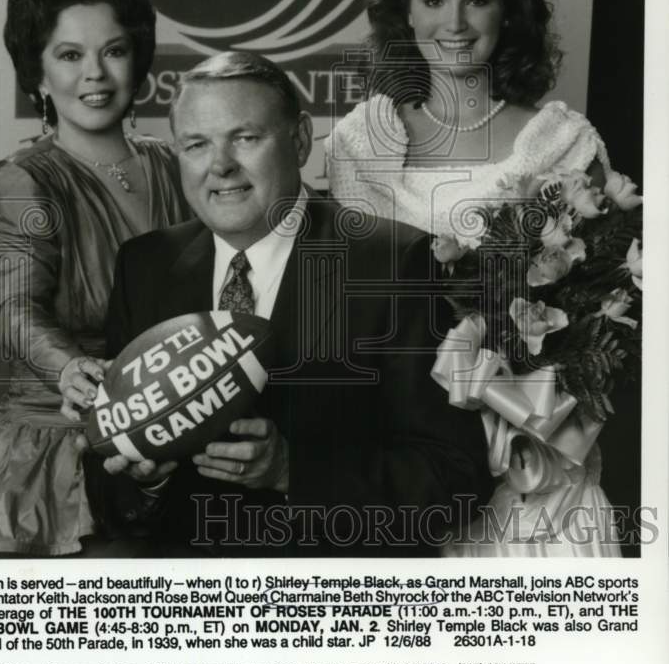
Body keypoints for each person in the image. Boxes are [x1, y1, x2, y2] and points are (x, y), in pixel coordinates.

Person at [72, 51, 493, 556]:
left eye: (245, 138)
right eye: (196, 144)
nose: (221, 165)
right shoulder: (144, 266)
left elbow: (456, 480)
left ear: (298, 140)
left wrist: (293, 472)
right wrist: (145, 478)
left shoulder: (393, 261)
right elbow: (109, 490)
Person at [326, 0, 621, 557]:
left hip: (533, 464)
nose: (453, 23)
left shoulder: (563, 143)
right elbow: (344, 313)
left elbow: (607, 327)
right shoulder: (358, 140)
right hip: (406, 473)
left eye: (476, 0)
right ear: (405, 10)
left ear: (508, 10)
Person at [0, 0, 190, 558]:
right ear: (37, 73)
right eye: (70, 55)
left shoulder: (179, 165)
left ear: (139, 59)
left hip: (173, 441)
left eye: (113, 51)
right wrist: (70, 368)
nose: (95, 75)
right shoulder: (15, 180)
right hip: (57, 449)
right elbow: (13, 311)